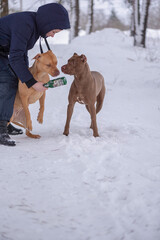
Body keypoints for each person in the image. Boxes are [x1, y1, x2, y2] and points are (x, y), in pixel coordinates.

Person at [0, 3, 70, 146]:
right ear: (48, 23)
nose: (52, 36)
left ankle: (5, 121)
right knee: (6, 81)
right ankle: (1, 129)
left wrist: (24, 75)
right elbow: (15, 57)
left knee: (15, 80)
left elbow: (21, 52)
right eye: (54, 32)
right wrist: (31, 82)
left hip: (3, 52)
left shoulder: (34, 28)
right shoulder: (25, 25)